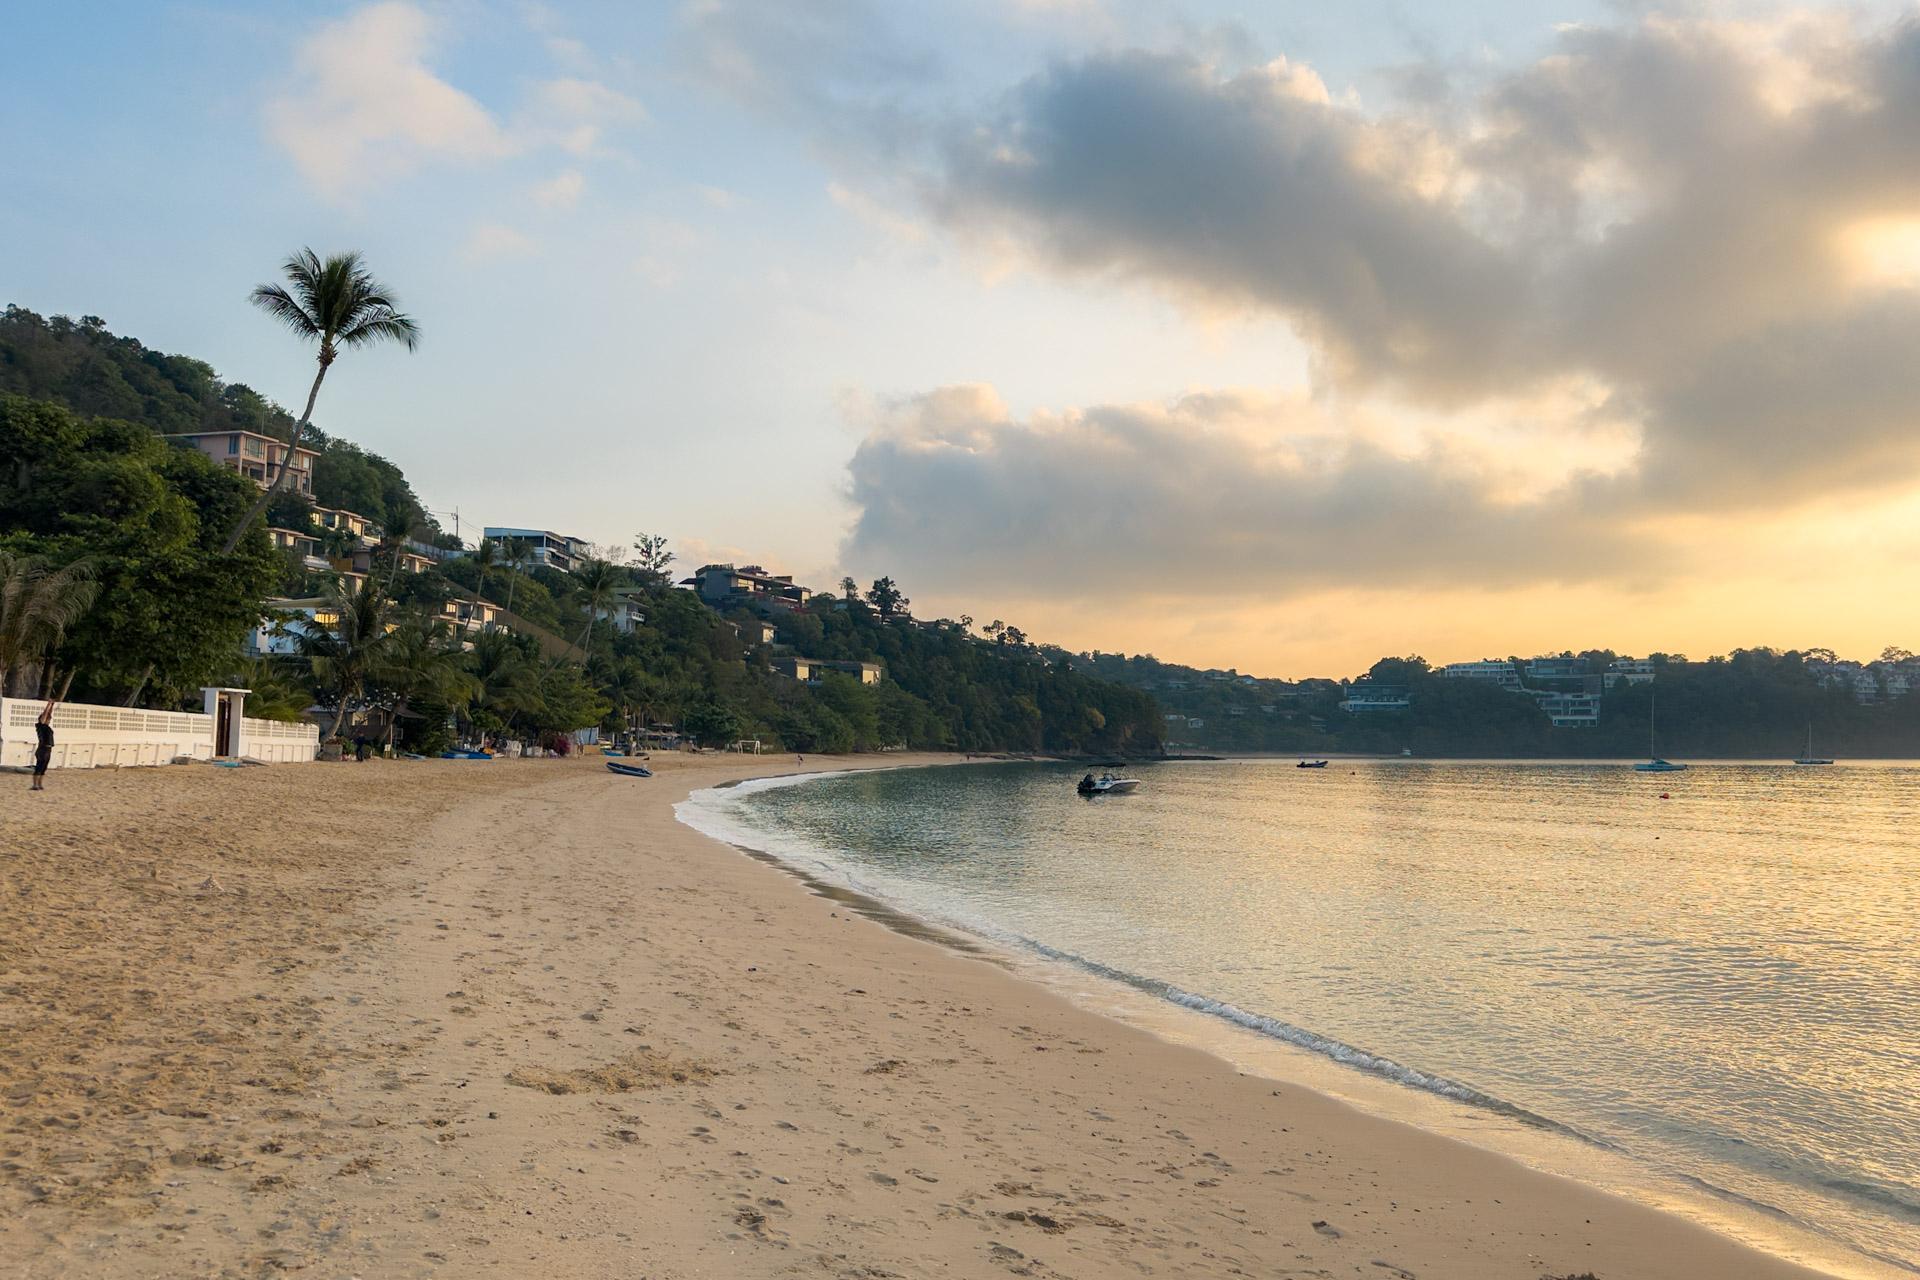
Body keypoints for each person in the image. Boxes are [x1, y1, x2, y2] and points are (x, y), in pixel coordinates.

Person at [30, 699, 55, 791]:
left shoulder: (47, 727)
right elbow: (45, 715)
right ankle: (35, 785)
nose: (48, 719)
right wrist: (48, 705)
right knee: (39, 767)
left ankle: (39, 784)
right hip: (42, 749)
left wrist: (52, 705)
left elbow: (49, 715)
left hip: (48, 749)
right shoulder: (40, 726)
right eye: (46, 719)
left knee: (44, 767)